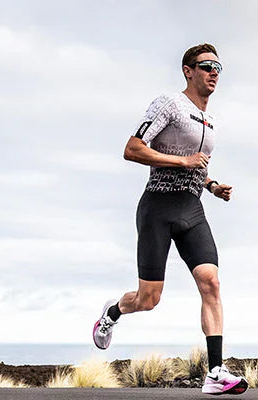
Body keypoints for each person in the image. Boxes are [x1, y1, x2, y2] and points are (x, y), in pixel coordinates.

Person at [92, 43, 245, 395]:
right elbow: (132, 149)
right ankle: (112, 312)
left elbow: (196, 165)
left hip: (191, 209)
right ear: (188, 71)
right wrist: (182, 162)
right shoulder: (169, 104)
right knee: (148, 299)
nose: (214, 72)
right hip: (158, 207)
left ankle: (215, 373)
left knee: (211, 283)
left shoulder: (210, 121)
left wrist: (212, 185)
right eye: (206, 66)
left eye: (218, 68)